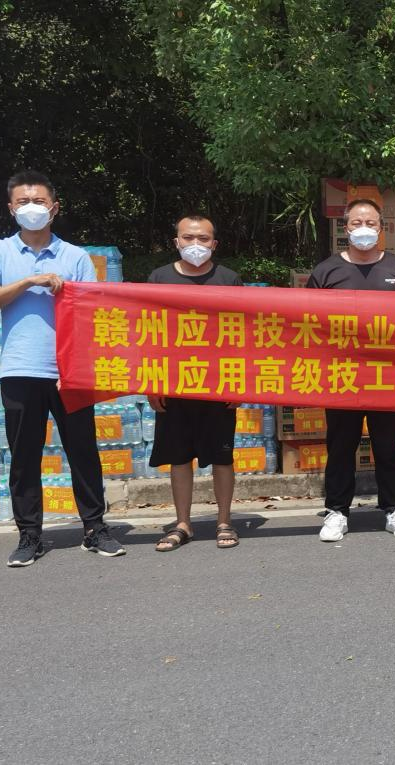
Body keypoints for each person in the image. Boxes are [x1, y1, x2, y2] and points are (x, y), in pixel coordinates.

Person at [0, 170, 125, 566]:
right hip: (20, 369)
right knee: (25, 456)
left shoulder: (75, 257)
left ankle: (95, 528)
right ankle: (30, 535)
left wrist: (79, 368)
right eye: (23, 202)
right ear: (11, 208)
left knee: (83, 452)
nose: (31, 208)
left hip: (68, 373)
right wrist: (29, 282)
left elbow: (92, 317)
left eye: (39, 201)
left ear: (54, 208)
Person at [307, 198, 395, 542]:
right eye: (357, 223)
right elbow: (309, 324)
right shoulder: (325, 272)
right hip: (342, 374)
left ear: (381, 227)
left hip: (387, 374)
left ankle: (394, 508)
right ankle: (337, 511)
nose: (364, 229)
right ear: (346, 228)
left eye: (370, 222)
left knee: (387, 445)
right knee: (341, 445)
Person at [147, 216, 245, 550]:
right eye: (188, 238)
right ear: (176, 241)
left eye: (203, 238)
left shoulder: (229, 279)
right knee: (179, 457)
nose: (195, 244)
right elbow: (150, 333)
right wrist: (152, 382)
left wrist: (238, 382)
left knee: (222, 457)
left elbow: (242, 335)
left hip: (219, 382)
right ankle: (182, 524)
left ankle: (224, 522)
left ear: (214, 244)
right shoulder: (159, 279)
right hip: (174, 384)